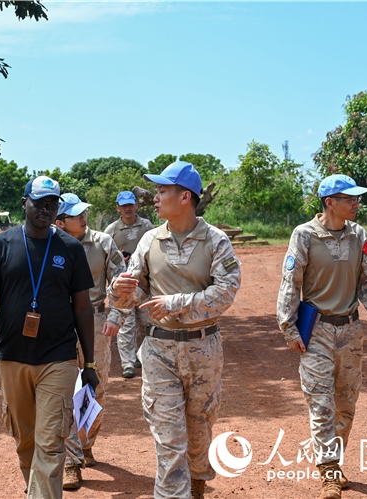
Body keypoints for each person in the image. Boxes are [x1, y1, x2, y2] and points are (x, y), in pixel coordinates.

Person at [109, 161, 241, 499]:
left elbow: (226, 292)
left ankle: (197, 479)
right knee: (169, 440)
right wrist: (119, 291)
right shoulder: (150, 241)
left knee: (200, 430)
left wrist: (176, 302)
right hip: (158, 349)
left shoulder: (215, 241)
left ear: (185, 197)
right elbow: (136, 293)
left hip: (203, 349)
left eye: (162, 191)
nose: (155, 197)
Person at [0, 176, 100, 499]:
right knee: (26, 441)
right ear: (23, 203)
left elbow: (83, 309)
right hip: (11, 357)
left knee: (50, 442)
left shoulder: (70, 249)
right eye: (39, 202)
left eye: (52, 203)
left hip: (58, 358)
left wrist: (90, 362)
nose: (45, 208)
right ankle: (36, 492)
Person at [276, 174, 367, 499]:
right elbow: (290, 283)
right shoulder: (305, 235)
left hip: (351, 331)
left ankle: (335, 461)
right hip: (318, 331)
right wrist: (289, 327)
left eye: (357, 198)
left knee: (346, 404)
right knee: (321, 403)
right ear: (330, 203)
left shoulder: (358, 235)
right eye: (349, 198)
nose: (356, 203)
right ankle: (328, 471)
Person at [55, 193, 127, 489]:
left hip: (97, 323)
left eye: (84, 212)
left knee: (95, 388)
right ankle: (72, 461)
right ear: (60, 222)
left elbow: (123, 279)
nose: (83, 217)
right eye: (76, 214)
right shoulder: (50, 244)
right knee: (65, 391)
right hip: (60, 324)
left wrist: (117, 316)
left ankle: (86, 443)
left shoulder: (103, 242)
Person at [104, 190, 154, 378]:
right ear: (118, 208)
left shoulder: (147, 226)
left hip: (142, 284)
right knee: (126, 322)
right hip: (122, 285)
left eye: (130, 205)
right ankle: (127, 362)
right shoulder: (111, 231)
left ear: (137, 206)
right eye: (123, 205)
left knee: (144, 321)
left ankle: (140, 355)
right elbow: (106, 258)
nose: (127, 209)